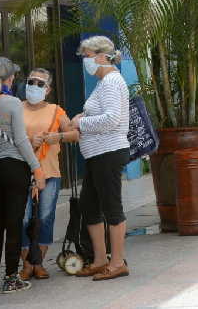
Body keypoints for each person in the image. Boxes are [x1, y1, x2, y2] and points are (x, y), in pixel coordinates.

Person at [0, 57, 46, 293]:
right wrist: (36, 167)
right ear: (10, 79)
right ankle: (12, 277)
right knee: (13, 222)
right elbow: (22, 141)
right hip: (14, 167)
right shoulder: (13, 103)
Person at [71, 36, 131, 281]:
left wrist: (80, 123)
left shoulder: (112, 81)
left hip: (109, 152)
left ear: (102, 56)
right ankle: (99, 259)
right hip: (97, 154)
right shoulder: (103, 82)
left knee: (111, 207)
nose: (85, 61)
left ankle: (117, 262)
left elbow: (112, 119)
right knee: (90, 206)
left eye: (87, 55)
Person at [19, 68, 79, 281]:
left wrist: (59, 136)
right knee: (23, 218)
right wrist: (28, 142)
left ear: (48, 89)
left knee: (45, 218)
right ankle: (27, 264)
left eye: (40, 83)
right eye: (31, 81)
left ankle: (39, 263)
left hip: (49, 172)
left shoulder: (56, 111)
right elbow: (5, 140)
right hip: (20, 172)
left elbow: (75, 134)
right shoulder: (16, 108)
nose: (34, 86)